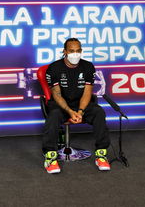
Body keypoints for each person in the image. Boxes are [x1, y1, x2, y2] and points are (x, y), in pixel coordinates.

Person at [43, 38, 111, 174]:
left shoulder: (88, 66)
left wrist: (80, 111)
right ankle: (50, 156)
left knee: (98, 112)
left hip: (81, 104)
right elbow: (56, 95)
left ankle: (101, 154)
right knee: (54, 114)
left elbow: (87, 92)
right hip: (61, 105)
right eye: (72, 51)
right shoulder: (54, 68)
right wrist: (69, 111)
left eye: (78, 51)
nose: (75, 54)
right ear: (64, 52)